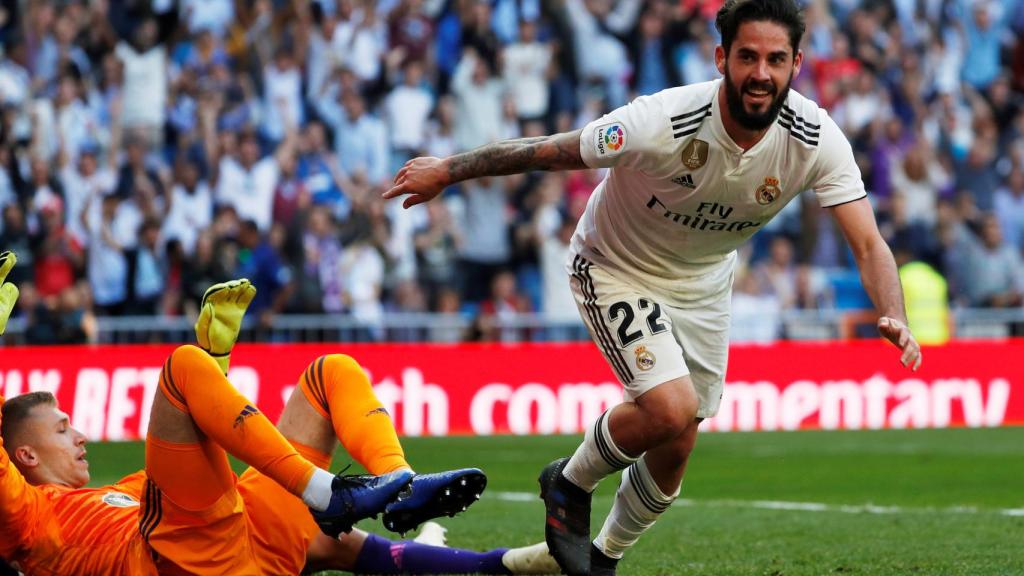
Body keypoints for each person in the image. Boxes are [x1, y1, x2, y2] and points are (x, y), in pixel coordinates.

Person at [383, 1, 923, 574]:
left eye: (774, 59)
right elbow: (547, 152)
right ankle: (569, 482)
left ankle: (601, 558)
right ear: (721, 58)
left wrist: (895, 313)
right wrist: (451, 169)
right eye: (746, 57)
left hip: (705, 285)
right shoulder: (663, 120)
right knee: (670, 407)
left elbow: (868, 243)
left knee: (679, 439)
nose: (760, 73)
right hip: (615, 264)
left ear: (796, 64)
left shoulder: (815, 137)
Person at [0, 252, 523, 574]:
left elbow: (199, 471)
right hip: (181, 563)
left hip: (238, 546)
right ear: (23, 454)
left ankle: (398, 483)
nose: (82, 436)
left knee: (331, 371)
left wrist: (216, 366)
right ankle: (328, 494)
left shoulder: (114, 493)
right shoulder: (28, 517)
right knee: (182, 367)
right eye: (64, 429)